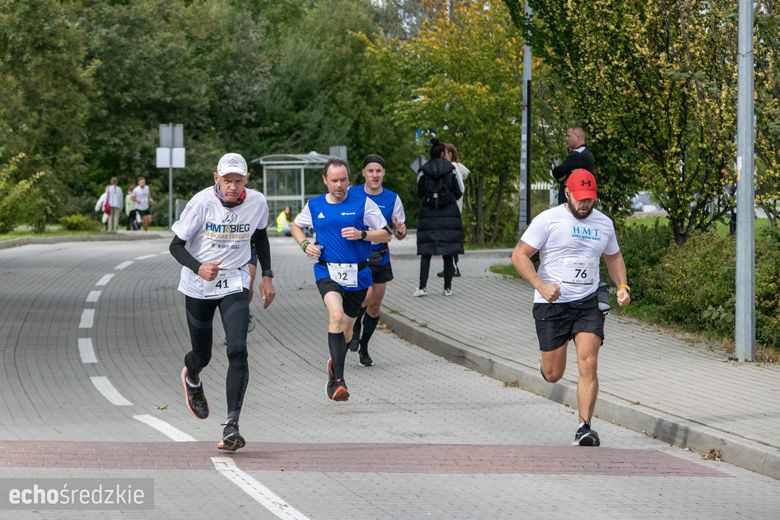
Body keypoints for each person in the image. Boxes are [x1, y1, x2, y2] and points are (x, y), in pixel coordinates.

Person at [511, 169, 630, 447]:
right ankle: (546, 362)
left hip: (588, 301)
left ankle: (584, 427)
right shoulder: (549, 220)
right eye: (580, 198)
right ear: (568, 193)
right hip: (552, 304)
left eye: (590, 199)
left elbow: (613, 257)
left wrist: (623, 286)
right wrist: (541, 285)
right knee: (553, 375)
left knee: (588, 361)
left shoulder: (604, 224)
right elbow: (519, 255)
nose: (585, 204)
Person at [169, 152, 276, 451]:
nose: (232, 186)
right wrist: (197, 267)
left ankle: (232, 425)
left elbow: (261, 236)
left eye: (237, 181)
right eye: (226, 180)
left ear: (246, 181)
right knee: (202, 356)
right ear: (216, 178)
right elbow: (175, 246)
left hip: (234, 281)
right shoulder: (201, 203)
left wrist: (267, 274)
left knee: (238, 349)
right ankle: (191, 376)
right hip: (199, 285)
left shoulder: (257, 202)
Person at [291, 158, 391, 401]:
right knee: (335, 317)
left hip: (358, 274)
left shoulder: (363, 202)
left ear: (349, 180)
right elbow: (296, 225)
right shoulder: (314, 205)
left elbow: (387, 234)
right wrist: (305, 244)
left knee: (346, 329)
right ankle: (338, 382)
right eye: (334, 180)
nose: (339, 184)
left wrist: (362, 234)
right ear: (325, 180)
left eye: (343, 179)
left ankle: (334, 365)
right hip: (327, 272)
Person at [347, 154, 407, 367]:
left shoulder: (392, 198)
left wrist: (401, 231)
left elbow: (399, 233)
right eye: (370, 171)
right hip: (356, 254)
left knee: (375, 303)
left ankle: (364, 346)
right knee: (365, 296)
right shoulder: (351, 194)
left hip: (380, 255)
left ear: (384, 174)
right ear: (364, 173)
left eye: (378, 171)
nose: (374, 175)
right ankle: (354, 328)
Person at [413, 138, 463, 297]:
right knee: (448, 252)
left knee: (425, 253)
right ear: (443, 153)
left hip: (428, 214)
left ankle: (422, 288)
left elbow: (420, 193)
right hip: (449, 214)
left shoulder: (423, 170)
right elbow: (458, 192)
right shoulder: (451, 169)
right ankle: (447, 288)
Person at [437, 143, 470, 278]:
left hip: (451, 211)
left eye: (444, 153)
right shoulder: (454, 168)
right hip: (453, 210)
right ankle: (450, 267)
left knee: (448, 240)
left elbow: (460, 190)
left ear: (450, 154)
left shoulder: (453, 168)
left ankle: (453, 268)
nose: (441, 156)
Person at [551, 125, 594, 205]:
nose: (566, 139)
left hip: (573, 204)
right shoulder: (585, 153)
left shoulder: (578, 155)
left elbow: (557, 172)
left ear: (578, 137)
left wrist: (564, 175)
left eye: (569, 136)